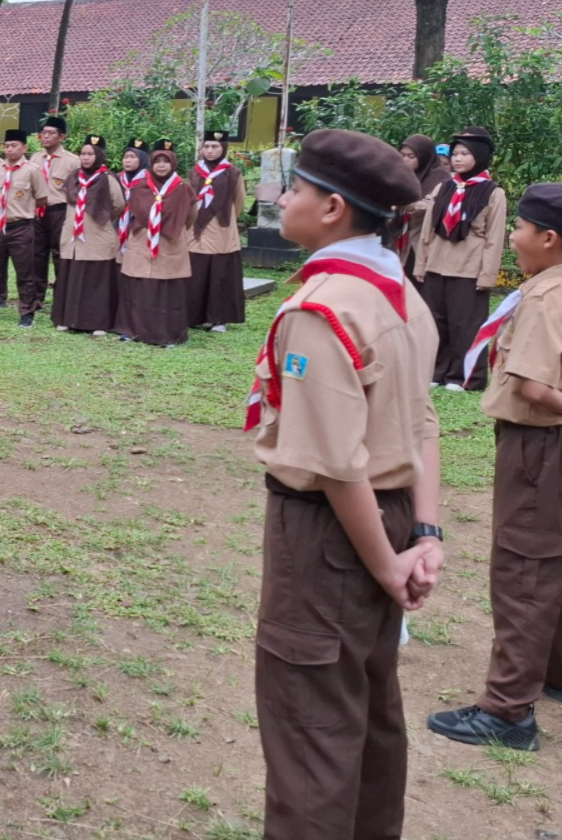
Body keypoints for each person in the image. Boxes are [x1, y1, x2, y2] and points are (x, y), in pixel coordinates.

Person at [246, 127, 443, 840]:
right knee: (366, 714)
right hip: (389, 515)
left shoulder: (322, 308)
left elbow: (334, 464)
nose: (282, 198)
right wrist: (422, 534)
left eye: (293, 188)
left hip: (330, 531)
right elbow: (423, 426)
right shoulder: (399, 292)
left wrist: (388, 567)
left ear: (331, 208)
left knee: (309, 733)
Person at [425, 182, 562, 752]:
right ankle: (553, 674)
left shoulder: (546, 297)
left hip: (541, 449)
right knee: (554, 562)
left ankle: (507, 710)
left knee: (525, 571)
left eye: (523, 229)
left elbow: (535, 384)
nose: (514, 236)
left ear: (549, 238)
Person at [415, 127, 507, 392]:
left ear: (479, 155)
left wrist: (487, 274)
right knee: (436, 321)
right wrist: (421, 263)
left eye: (465, 153)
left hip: (469, 266)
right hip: (436, 263)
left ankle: (464, 376)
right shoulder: (444, 187)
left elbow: (494, 236)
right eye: (455, 153)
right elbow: (427, 230)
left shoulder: (492, 192)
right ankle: (437, 370)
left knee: (465, 324)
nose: (457, 159)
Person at [115, 140, 195, 346]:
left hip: (170, 244)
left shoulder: (183, 188)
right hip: (141, 242)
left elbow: (191, 215)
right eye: (157, 161)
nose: (161, 165)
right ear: (150, 163)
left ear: (173, 163)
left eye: (165, 161)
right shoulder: (140, 187)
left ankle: (167, 335)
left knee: (166, 290)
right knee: (138, 288)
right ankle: (132, 330)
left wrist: (173, 227)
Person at [51, 135, 123, 335]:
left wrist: (100, 219)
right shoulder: (74, 177)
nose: (86, 157)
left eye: (90, 154)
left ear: (99, 155)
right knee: (70, 278)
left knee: (96, 281)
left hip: (97, 237)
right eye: (83, 153)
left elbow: (118, 205)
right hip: (73, 237)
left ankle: (97, 323)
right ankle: (67, 319)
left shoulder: (108, 178)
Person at [0, 128, 51, 325]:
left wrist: (23, 209)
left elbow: (42, 198)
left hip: (21, 227)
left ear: (24, 147)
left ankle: (27, 312)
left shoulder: (32, 171)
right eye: (7, 146)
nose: (10, 150)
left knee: (25, 271)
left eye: (14, 146)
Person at [187, 129, 247, 332]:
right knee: (196, 271)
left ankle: (219, 319)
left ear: (224, 149)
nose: (210, 150)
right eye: (207, 146)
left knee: (220, 273)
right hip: (196, 230)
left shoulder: (233, 172)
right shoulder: (194, 171)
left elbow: (239, 202)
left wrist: (228, 220)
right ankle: (195, 315)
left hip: (222, 230)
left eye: (215, 147)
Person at [28, 115, 80, 323]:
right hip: (37, 211)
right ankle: (36, 297)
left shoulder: (72, 161)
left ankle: (61, 297)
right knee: (36, 255)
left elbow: (77, 191)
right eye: (44, 133)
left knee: (60, 255)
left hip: (60, 211)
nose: (45, 137)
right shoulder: (35, 159)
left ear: (62, 137)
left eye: (51, 133)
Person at [391, 134, 451, 277]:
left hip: (423, 242)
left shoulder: (441, 178)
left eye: (411, 156)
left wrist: (406, 203)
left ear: (424, 156)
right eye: (402, 155)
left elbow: (431, 205)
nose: (405, 160)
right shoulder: (400, 176)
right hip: (399, 240)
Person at [115, 138, 150, 260]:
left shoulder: (150, 181)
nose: (128, 160)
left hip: (140, 230)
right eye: (126, 157)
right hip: (116, 228)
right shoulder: (116, 179)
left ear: (143, 159)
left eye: (132, 157)